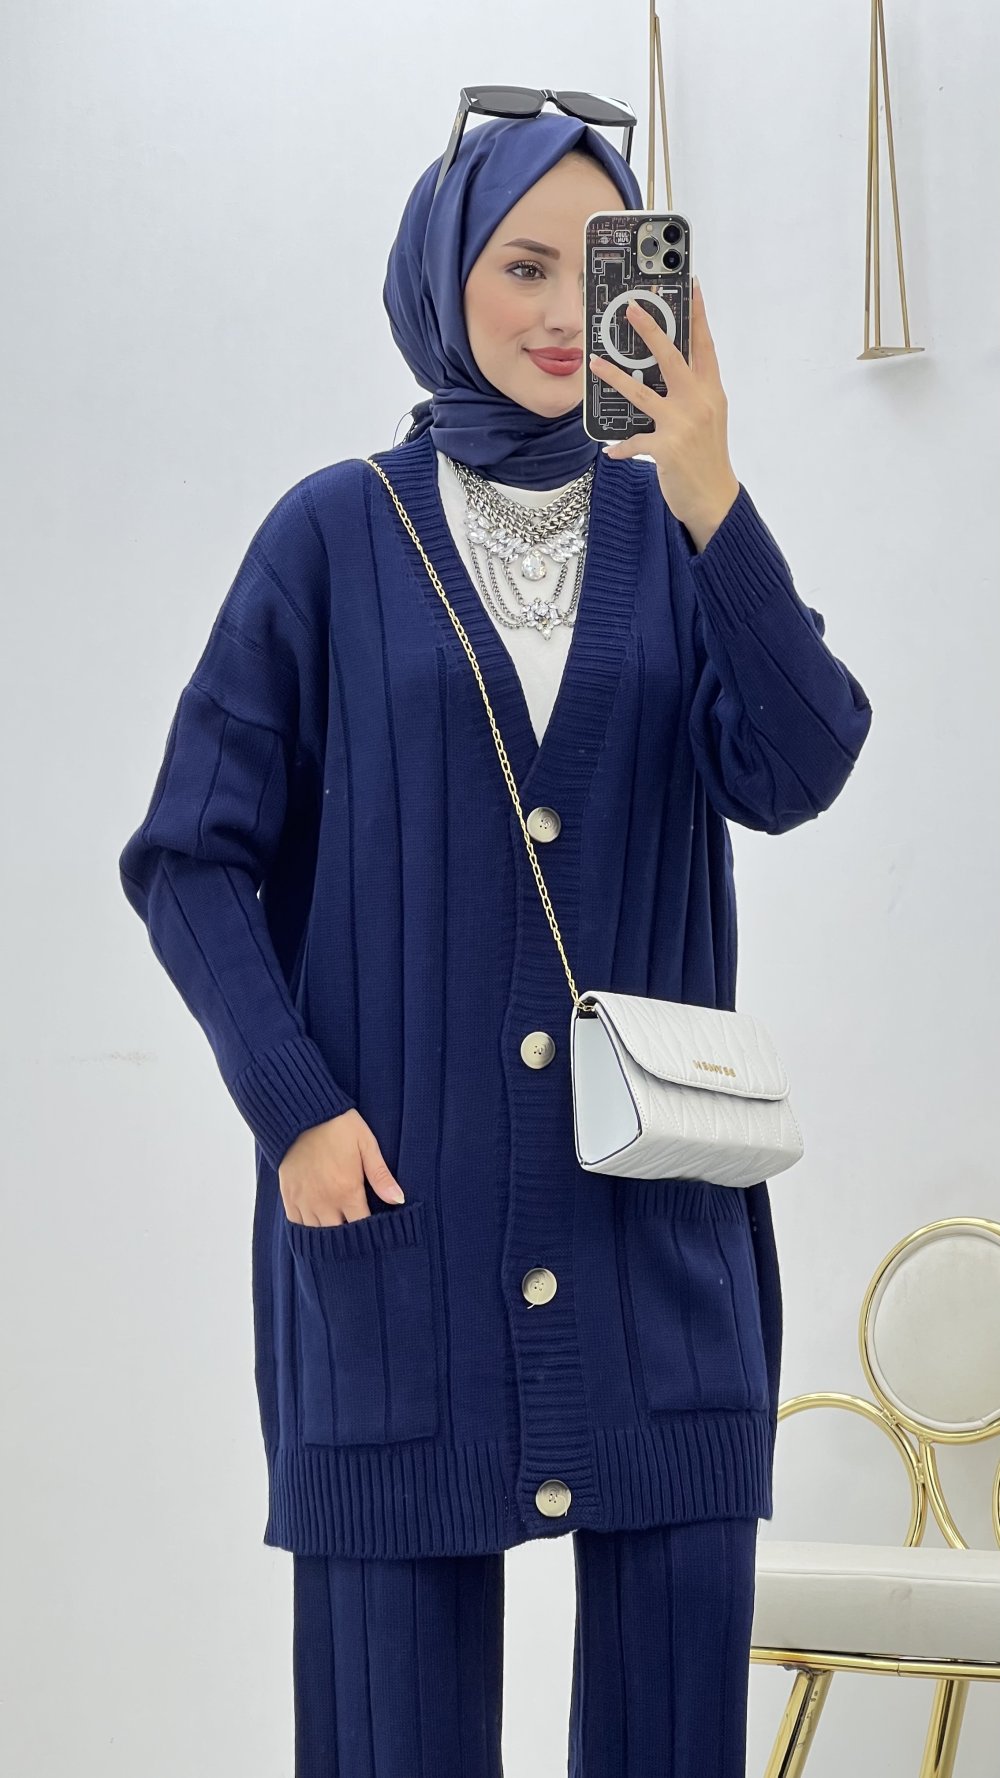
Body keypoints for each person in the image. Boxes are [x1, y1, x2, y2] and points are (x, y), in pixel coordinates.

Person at [118, 109, 873, 1777]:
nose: (556, 312)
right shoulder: (331, 534)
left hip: (657, 1241)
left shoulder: (674, 536)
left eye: (596, 274)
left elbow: (802, 764)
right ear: (442, 273)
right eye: (521, 266)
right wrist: (296, 1108)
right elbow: (188, 855)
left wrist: (711, 488)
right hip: (396, 1228)